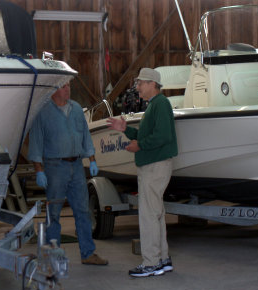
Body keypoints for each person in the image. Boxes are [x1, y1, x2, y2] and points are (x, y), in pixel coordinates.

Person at [28, 80, 108, 266]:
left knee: (83, 211)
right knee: (53, 213)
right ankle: (51, 255)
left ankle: (88, 253)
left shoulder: (77, 109)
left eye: (69, 86)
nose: (68, 90)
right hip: (55, 167)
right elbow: (36, 144)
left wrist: (92, 160)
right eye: (63, 87)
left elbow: (86, 136)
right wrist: (39, 171)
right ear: (53, 90)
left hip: (77, 166)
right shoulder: (43, 112)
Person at [107, 68, 178, 277]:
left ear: (152, 84)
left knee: (148, 216)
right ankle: (162, 259)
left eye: (140, 83)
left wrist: (140, 146)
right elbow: (148, 135)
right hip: (155, 165)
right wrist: (126, 130)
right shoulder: (156, 105)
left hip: (154, 166)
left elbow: (163, 136)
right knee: (156, 213)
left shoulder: (160, 104)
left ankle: (151, 263)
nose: (137, 87)